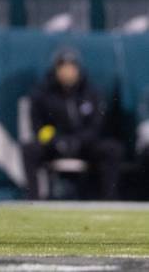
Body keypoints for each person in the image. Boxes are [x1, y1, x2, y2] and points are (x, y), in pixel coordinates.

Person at [22, 48, 123, 200]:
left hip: (85, 145)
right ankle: (33, 199)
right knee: (29, 149)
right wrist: (56, 140)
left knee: (112, 149)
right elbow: (38, 127)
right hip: (54, 145)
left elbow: (96, 126)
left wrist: (78, 141)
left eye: (71, 67)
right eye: (63, 67)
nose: (67, 72)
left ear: (78, 69)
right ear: (56, 70)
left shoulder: (92, 92)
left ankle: (110, 200)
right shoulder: (42, 93)